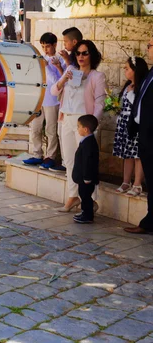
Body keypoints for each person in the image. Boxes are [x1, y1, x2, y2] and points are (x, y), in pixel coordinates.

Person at [51, 39, 106, 213]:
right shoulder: (70, 70)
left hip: (84, 123)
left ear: (92, 55)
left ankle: (90, 200)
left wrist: (91, 124)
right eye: (78, 53)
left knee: (86, 163)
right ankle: (73, 196)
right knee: (69, 161)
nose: (80, 56)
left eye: (84, 53)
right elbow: (54, 91)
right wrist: (62, 81)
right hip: (66, 119)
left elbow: (100, 102)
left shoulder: (97, 76)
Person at [24, 32, 66, 169]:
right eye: (43, 46)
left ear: (54, 44)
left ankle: (50, 157)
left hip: (53, 101)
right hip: (39, 100)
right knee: (35, 128)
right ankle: (37, 154)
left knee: (50, 130)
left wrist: (46, 66)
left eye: (47, 46)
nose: (45, 49)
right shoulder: (40, 58)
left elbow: (58, 82)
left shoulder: (61, 61)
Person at [124, 38, 153, 234]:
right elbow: (141, 100)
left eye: (150, 46)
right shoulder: (151, 73)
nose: (148, 49)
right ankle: (150, 221)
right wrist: (134, 123)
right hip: (144, 134)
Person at [114, 56, 148, 196]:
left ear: (135, 70)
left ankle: (137, 184)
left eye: (127, 68)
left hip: (135, 123)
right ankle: (126, 181)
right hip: (124, 123)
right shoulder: (128, 86)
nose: (125, 70)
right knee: (127, 153)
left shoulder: (142, 87)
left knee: (137, 154)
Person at [72, 115, 100, 224]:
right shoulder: (86, 141)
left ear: (85, 129)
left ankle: (87, 215)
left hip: (87, 178)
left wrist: (87, 177)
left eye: (78, 126)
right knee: (83, 194)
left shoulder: (89, 143)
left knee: (85, 195)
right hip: (83, 178)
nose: (77, 128)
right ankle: (85, 212)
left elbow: (88, 162)